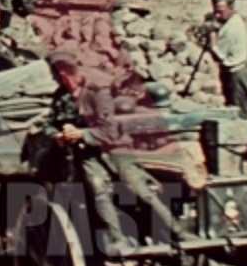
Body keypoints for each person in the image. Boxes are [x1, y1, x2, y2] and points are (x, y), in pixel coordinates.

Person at [36, 51, 193, 255]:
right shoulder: (61, 97)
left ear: (64, 72)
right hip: (87, 156)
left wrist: (81, 134)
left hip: (115, 150)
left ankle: (180, 233)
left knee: (141, 190)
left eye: (56, 74)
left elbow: (109, 130)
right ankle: (119, 240)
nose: (54, 78)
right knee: (100, 190)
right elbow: (48, 125)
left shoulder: (97, 94)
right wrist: (57, 135)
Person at [207, 0, 247, 117]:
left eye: (221, 12)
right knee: (232, 111)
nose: (217, 16)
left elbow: (218, 55)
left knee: (237, 115)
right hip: (233, 73)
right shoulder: (232, 20)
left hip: (237, 76)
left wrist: (212, 40)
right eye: (215, 11)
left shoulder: (232, 29)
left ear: (231, 8)